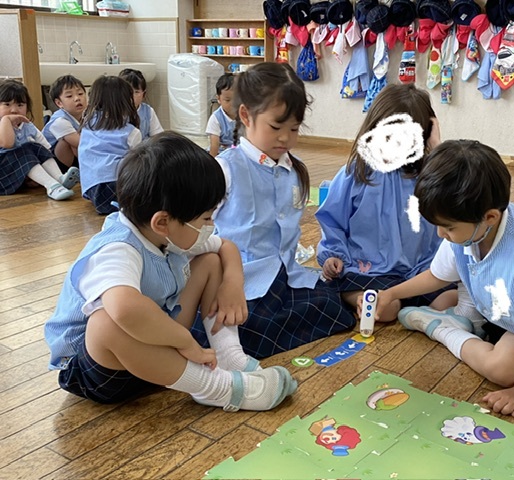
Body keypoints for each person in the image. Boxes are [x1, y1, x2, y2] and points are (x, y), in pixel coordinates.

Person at [44, 132, 297, 410]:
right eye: (206, 218)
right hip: (102, 372)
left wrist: (233, 284)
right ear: (162, 222)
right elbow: (125, 310)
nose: (210, 226)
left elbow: (226, 246)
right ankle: (217, 388)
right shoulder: (117, 248)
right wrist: (185, 341)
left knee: (210, 261)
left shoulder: (167, 233)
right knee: (105, 322)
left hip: (158, 351)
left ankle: (228, 356)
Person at [374, 139, 514, 418]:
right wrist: (392, 293)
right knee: (442, 299)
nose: (440, 235)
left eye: (447, 228)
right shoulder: (469, 224)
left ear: (491, 217)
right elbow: (436, 275)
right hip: (502, 311)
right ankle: (455, 317)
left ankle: (443, 330)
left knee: (502, 370)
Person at [213, 62, 355, 359]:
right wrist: (224, 281)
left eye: (294, 129)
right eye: (276, 127)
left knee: (332, 305)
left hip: (285, 276)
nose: (285, 138)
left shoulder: (293, 170)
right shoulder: (225, 168)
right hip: (243, 282)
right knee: (247, 322)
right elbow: (201, 233)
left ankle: (260, 338)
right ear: (245, 116)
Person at [316, 83, 454, 322]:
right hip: (371, 270)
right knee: (384, 309)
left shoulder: (430, 175)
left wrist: (438, 148)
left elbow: (458, 208)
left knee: (451, 297)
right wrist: (333, 255)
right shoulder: (356, 172)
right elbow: (333, 220)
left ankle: (406, 308)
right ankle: (359, 299)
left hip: (421, 271)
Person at [0, 79, 79, 200]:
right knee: (24, 150)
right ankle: (52, 186)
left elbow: (45, 148)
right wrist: (6, 120)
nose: (14, 110)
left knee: (34, 146)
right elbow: (7, 143)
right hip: (3, 177)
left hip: (20, 174)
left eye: (20, 105)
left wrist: (41, 171)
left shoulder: (27, 126)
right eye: (7, 104)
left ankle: (59, 178)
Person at [79, 75, 141, 215]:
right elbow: (138, 165)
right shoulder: (130, 132)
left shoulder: (88, 124)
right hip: (116, 187)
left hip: (92, 189)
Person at [42, 75, 87, 171]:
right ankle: (69, 172)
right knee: (68, 140)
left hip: (73, 158)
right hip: (51, 163)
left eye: (80, 94)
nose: (77, 98)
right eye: (69, 96)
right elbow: (80, 142)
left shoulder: (87, 116)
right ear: (59, 103)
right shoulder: (59, 121)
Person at [119, 68, 163, 140]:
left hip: (143, 146)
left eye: (136, 92)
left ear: (143, 94)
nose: (131, 96)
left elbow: (158, 136)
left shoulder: (148, 112)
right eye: (127, 91)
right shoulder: (114, 111)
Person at [206, 73, 236, 155]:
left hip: (239, 151)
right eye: (228, 100)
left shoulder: (245, 115)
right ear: (219, 99)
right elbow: (214, 145)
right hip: (222, 153)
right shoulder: (216, 118)